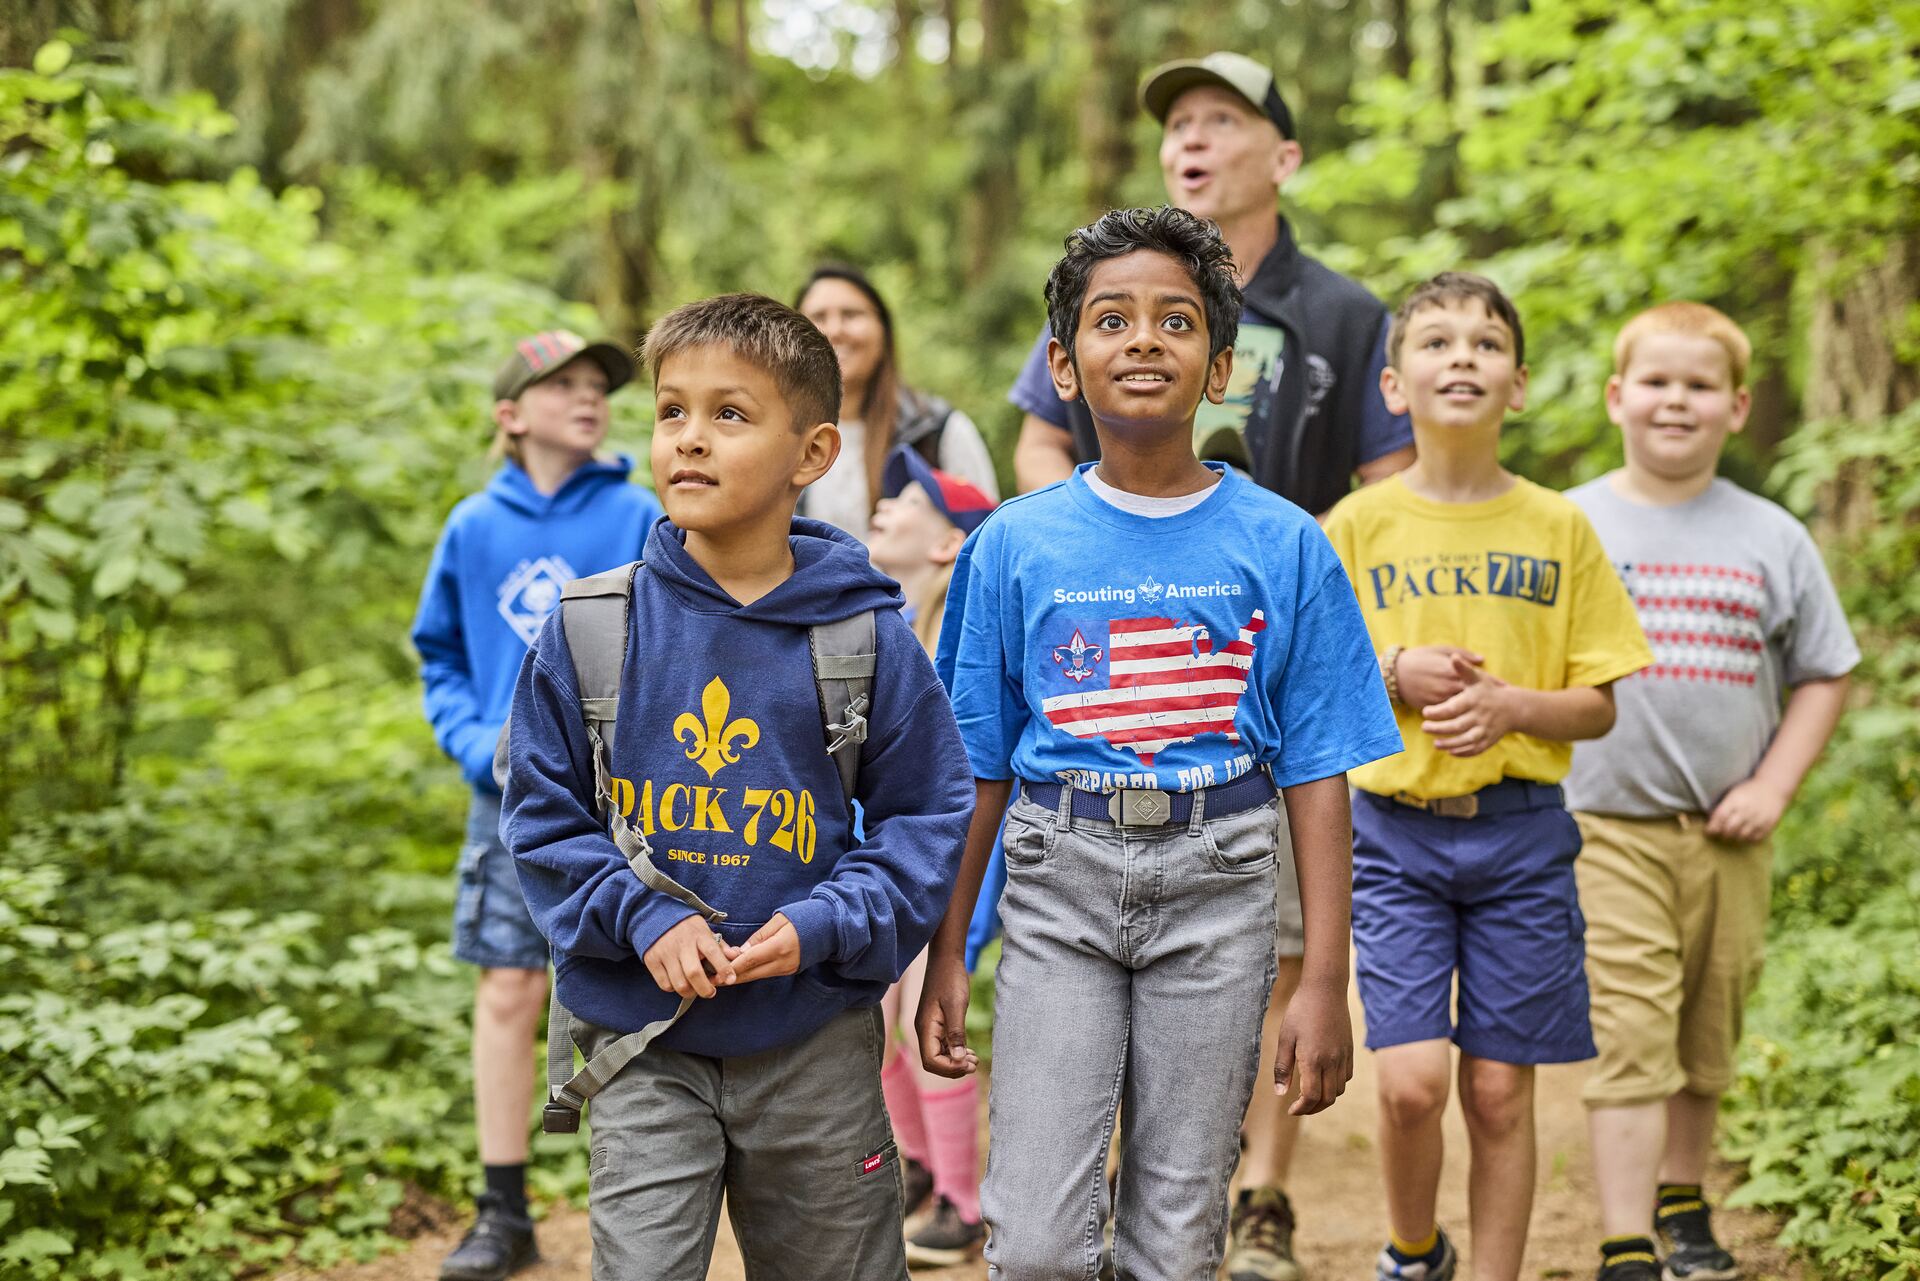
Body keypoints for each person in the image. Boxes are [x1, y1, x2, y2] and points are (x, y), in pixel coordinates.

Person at [919, 206, 1404, 1281]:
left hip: (1222, 880)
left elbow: (1320, 774)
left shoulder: (1285, 541)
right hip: (1058, 880)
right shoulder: (1010, 545)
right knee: (1040, 1246)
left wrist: (1325, 979)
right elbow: (978, 770)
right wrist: (949, 945)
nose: (1143, 339)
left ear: (1219, 366)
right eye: (1112, 320)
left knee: (1175, 1238)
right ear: (1062, 362)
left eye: (1176, 321)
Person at [500, 293, 973, 1280]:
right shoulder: (591, 629)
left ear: (813, 454)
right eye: (672, 411)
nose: (690, 440)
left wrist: (832, 921)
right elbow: (544, 813)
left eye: (731, 414)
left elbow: (925, 812)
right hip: (643, 1044)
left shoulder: (864, 637)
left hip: (814, 1046)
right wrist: (641, 919)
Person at [1321, 273, 1653, 1281]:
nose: (1461, 356)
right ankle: (1415, 1251)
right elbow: (1308, 686)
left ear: (1517, 386)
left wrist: (1515, 707)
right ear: (1393, 385)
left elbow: (1598, 702)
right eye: (1435, 341)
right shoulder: (1355, 526)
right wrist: (1392, 674)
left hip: (1521, 833)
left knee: (1503, 1093)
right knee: (1413, 1082)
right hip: (1394, 835)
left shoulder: (1559, 527)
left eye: (1485, 343)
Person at [1562, 303, 1857, 1281]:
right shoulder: (1574, 524)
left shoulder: (1771, 536)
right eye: (1655, 382)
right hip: (1605, 828)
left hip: (1731, 831)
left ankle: (1684, 1204)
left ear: (1736, 407)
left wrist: (1775, 783)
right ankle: (1624, 1240)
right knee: (1631, 1035)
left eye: (1698, 387)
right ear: (1617, 398)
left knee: (1705, 1033)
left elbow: (1825, 670)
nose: (1674, 402)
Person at [410, 330, 660, 1281]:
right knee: (509, 986)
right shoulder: (474, 526)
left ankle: (647, 1196)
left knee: (638, 982)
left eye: (599, 384)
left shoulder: (638, 510)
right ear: (511, 415)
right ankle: (502, 1206)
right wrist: (477, 745)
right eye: (563, 387)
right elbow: (438, 653)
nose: (589, 398)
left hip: (626, 796)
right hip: (508, 798)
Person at [867, 443, 997, 1266]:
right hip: (895, 849)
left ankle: (965, 1198)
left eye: (911, 499)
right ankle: (919, 1166)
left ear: (949, 542)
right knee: (882, 1015)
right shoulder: (902, 619)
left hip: (947, 861)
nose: (888, 504)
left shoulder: (958, 627)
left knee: (924, 1018)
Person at [796, 263, 999, 541]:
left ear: (883, 329)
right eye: (818, 316)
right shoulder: (778, 435)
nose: (834, 330)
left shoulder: (937, 430)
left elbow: (987, 543)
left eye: (851, 315)